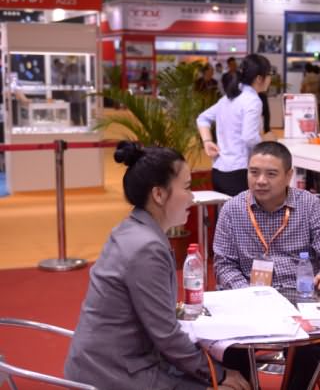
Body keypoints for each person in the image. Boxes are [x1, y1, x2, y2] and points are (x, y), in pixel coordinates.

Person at [64, 141, 250, 390]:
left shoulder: (131, 228)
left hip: (109, 361)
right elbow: (166, 336)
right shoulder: (147, 248)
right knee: (234, 383)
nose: (192, 196)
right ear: (159, 195)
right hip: (115, 374)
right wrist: (218, 375)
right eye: (187, 187)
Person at [213, 141, 320, 390]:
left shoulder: (309, 206)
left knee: (309, 349)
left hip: (300, 300)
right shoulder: (232, 210)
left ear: (289, 175)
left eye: (271, 174)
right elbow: (224, 264)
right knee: (230, 344)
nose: (260, 181)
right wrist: (248, 293)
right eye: (254, 172)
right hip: (248, 302)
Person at [197, 54, 270, 197]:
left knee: (225, 212)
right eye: (269, 74)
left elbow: (202, 118)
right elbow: (249, 137)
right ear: (259, 78)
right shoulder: (252, 100)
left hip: (219, 170)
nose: (270, 79)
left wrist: (207, 141)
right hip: (239, 173)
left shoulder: (229, 97)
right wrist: (267, 144)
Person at [301, 63, 320, 132]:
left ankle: (311, 131)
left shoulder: (305, 79)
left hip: (308, 101)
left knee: (310, 117)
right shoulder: (319, 78)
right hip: (318, 100)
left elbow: (302, 90)